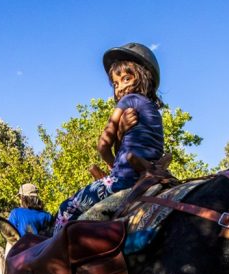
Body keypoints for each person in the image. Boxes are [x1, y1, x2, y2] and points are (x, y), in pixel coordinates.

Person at [53, 42, 164, 232]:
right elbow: (132, 146)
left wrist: (114, 168)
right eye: (115, 83)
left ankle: (56, 256)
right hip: (147, 176)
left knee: (66, 209)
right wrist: (121, 133)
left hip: (125, 179)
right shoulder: (155, 112)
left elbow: (103, 145)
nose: (120, 88)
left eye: (126, 79)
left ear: (143, 76)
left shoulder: (127, 101)